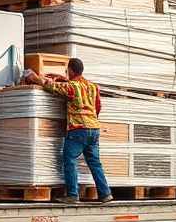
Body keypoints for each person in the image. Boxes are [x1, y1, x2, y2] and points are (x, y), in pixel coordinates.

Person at [24, 58, 113, 204]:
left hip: (78, 129)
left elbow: (52, 87)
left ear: (71, 70)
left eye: (67, 70)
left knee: (69, 160)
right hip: (94, 129)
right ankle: (105, 194)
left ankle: (72, 194)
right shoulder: (92, 87)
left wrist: (34, 78)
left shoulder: (72, 87)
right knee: (95, 162)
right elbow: (98, 107)